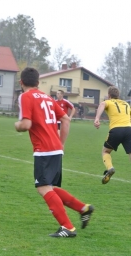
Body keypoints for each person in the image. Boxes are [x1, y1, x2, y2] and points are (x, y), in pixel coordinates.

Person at [15, 67, 94, 238]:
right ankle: (83, 208)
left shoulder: (25, 96)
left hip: (43, 149)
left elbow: (26, 124)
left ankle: (67, 227)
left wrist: (17, 125)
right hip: (55, 148)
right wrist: (62, 143)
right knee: (51, 187)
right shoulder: (48, 98)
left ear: (21, 83)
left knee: (43, 188)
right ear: (37, 82)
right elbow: (65, 119)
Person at [94, 86, 131, 184]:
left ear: (109, 95)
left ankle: (110, 168)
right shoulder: (126, 104)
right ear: (118, 95)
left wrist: (97, 118)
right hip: (129, 129)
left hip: (116, 130)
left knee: (105, 151)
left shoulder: (109, 101)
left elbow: (102, 104)